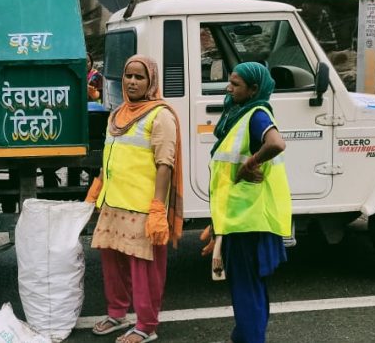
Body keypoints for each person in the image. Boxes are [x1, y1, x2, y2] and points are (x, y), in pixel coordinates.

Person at [86, 55, 184, 343]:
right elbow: (109, 157)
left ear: (150, 81)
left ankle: (146, 326)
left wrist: (157, 209)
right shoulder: (116, 114)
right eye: (128, 76)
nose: (132, 82)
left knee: (144, 271)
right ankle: (117, 314)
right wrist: (95, 192)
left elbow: (165, 163)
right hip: (113, 202)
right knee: (112, 264)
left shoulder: (161, 115)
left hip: (143, 208)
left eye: (139, 77)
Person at [201, 62, 291, 343]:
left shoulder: (256, 114)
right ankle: (245, 336)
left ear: (254, 89)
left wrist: (250, 164)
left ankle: (249, 338)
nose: (229, 88)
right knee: (253, 286)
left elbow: (276, 143)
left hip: (246, 220)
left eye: (236, 84)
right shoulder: (241, 115)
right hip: (240, 216)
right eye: (229, 81)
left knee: (245, 289)